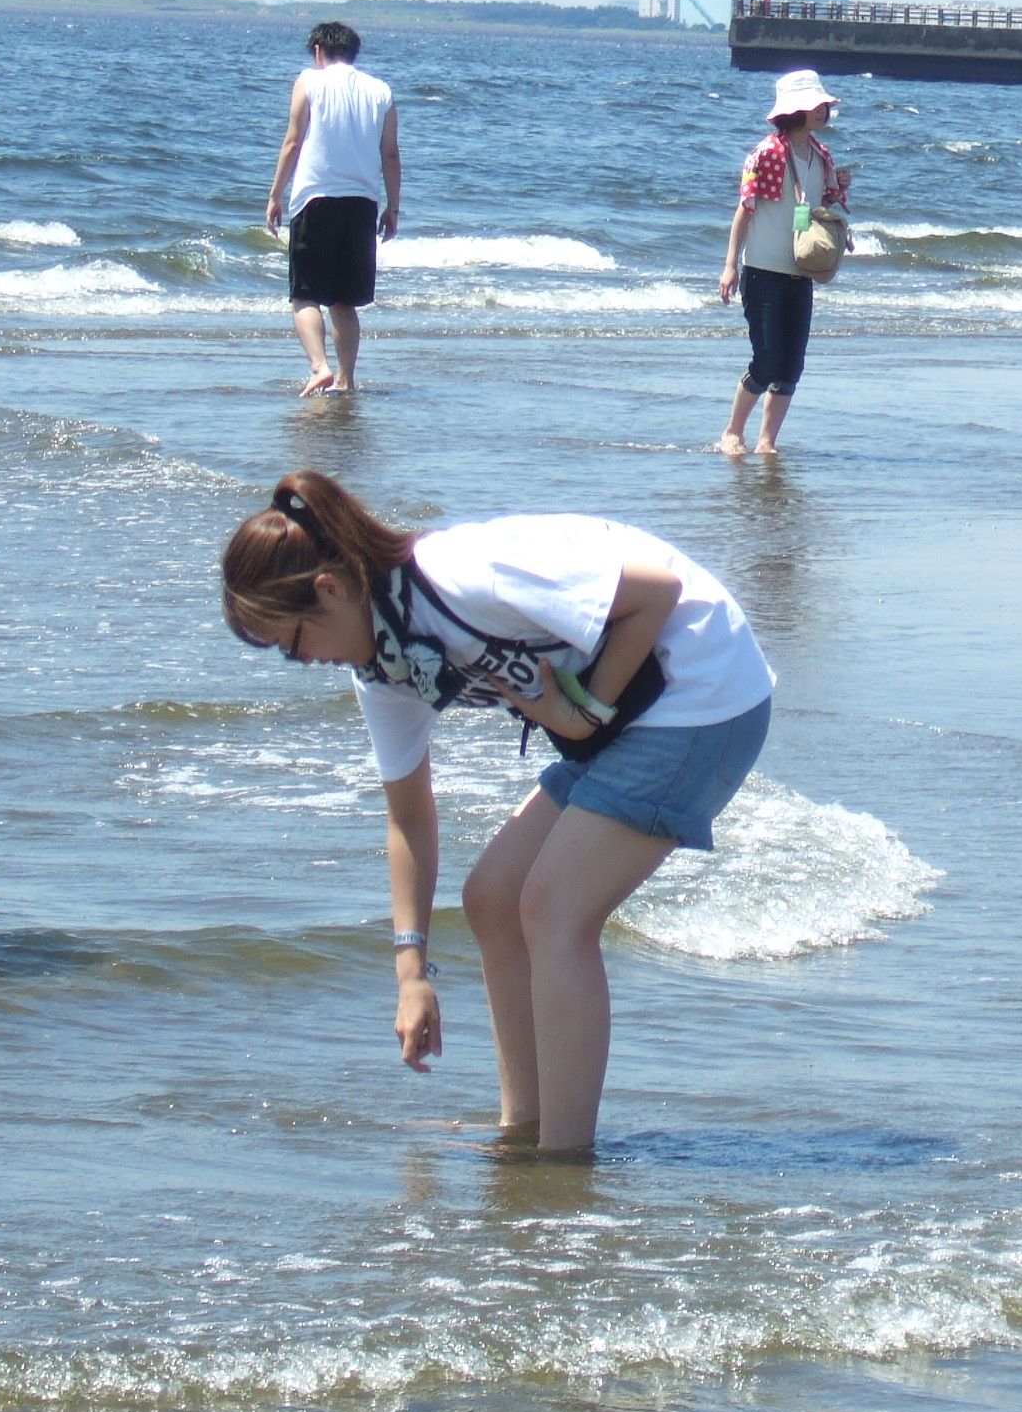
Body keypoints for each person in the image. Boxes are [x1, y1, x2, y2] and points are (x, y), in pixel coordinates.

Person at [220, 471, 775, 1155]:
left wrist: (584, 712)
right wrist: (411, 974)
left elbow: (657, 591)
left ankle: (563, 1164)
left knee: (552, 907)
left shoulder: (458, 577)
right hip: (630, 715)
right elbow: (409, 820)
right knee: (492, 897)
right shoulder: (384, 665)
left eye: (290, 642)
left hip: (706, 686)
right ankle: (525, 1131)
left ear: (330, 590)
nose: (297, 660)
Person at [264, 21, 400, 395]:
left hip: (315, 198)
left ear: (318, 51)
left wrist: (275, 195)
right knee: (345, 299)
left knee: (305, 294)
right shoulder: (381, 91)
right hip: (362, 204)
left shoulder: (309, 81)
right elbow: (390, 152)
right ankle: (346, 379)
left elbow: (293, 142)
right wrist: (394, 207)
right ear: (353, 52)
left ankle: (319, 367)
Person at [718, 70, 849, 456]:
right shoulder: (768, 153)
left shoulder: (821, 156)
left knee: (792, 365)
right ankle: (732, 432)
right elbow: (744, 211)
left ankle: (766, 443)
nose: (824, 111)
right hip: (762, 271)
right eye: (818, 105)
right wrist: (730, 266)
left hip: (799, 272)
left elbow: (821, 206)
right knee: (767, 360)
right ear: (799, 110)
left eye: (824, 106)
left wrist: (840, 187)